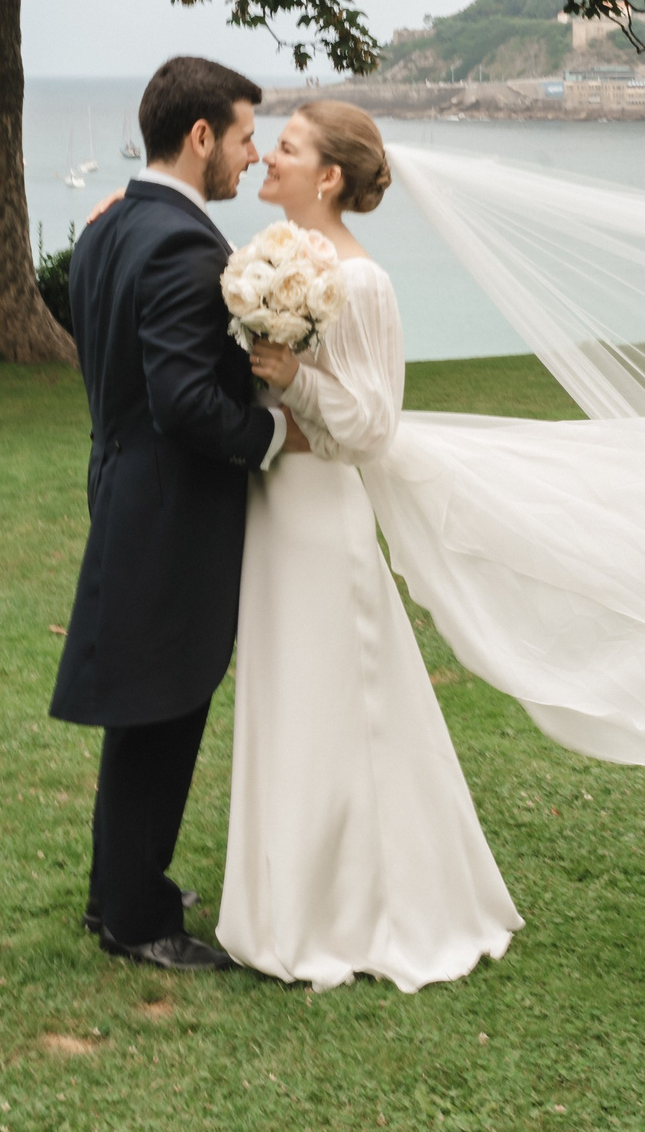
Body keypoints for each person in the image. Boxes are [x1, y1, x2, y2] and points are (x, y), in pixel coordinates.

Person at [227, 102, 522, 989]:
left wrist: (295, 379)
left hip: (324, 510)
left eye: (286, 147)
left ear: (328, 178)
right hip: (272, 503)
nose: (268, 157)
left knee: (340, 699)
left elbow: (374, 423)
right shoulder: (266, 265)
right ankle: (286, 897)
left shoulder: (361, 283)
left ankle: (362, 907)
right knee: (287, 693)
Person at [50, 55, 304, 972]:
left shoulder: (111, 227)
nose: (250, 155)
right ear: (200, 138)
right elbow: (186, 403)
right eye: (242, 137)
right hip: (167, 507)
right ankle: (136, 919)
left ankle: (115, 885)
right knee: (164, 705)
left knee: (145, 707)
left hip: (124, 487)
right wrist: (271, 434)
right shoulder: (182, 245)